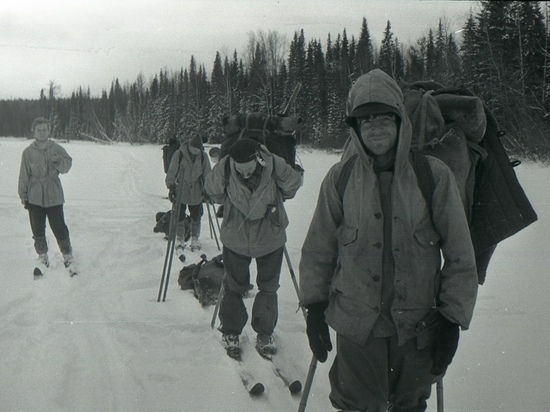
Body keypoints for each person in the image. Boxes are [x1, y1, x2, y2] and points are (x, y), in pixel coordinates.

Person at [299, 69, 478, 411]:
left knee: (409, 406)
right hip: (356, 328)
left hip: (417, 329)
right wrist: (315, 308)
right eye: (366, 120)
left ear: (400, 121)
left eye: (385, 117)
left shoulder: (433, 176)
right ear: (355, 128)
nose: (376, 127)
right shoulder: (340, 178)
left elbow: (460, 255)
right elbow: (319, 249)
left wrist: (453, 319)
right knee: (355, 405)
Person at [205, 138, 303, 359]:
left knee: (268, 286)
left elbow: (293, 185)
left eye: (249, 169)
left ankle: (264, 333)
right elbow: (213, 190)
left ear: (258, 159)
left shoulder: (274, 164)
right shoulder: (226, 166)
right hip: (236, 238)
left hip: (269, 236)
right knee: (233, 285)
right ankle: (231, 331)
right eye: (241, 170)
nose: (246, 174)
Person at [18, 117, 75, 270]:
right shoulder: (28, 152)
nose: (42, 133)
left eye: (45, 130)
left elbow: (67, 167)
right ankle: (42, 256)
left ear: (49, 131)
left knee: (58, 226)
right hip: (34, 195)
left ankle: (67, 255)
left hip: (54, 194)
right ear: (34, 132)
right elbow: (24, 174)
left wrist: (57, 161)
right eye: (39, 130)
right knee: (37, 228)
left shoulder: (56, 148)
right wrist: (23, 194)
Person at [165, 135, 211, 251]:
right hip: (181, 189)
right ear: (189, 146)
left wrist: (208, 190)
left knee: (196, 215)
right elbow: (172, 171)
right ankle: (180, 237)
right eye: (194, 149)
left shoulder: (203, 157)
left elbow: (207, 174)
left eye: (198, 150)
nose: (196, 152)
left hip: (196, 190)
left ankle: (195, 238)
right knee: (179, 215)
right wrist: (171, 187)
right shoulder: (179, 154)